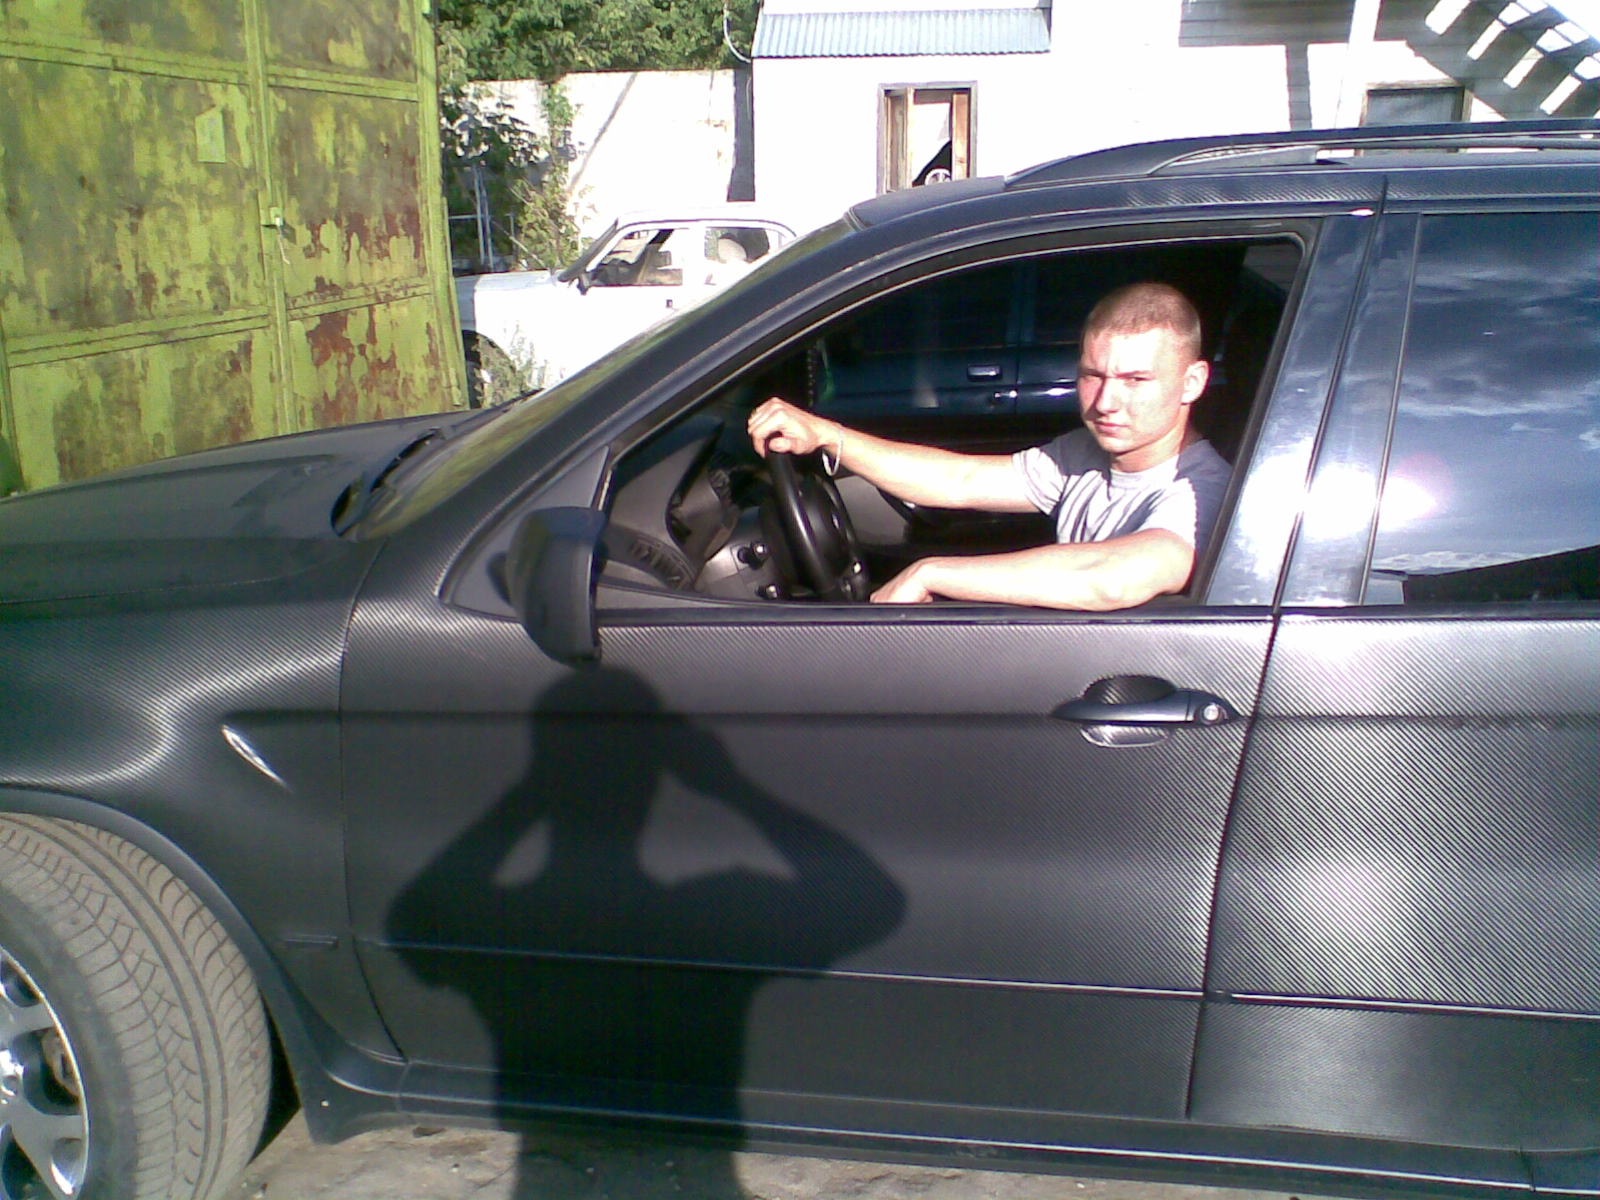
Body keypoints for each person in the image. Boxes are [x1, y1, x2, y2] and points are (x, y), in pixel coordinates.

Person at [746, 280, 1232, 611]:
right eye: (1092, 375)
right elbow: (959, 480)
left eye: (1135, 380)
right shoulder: (1087, 455)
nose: (1105, 402)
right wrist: (828, 435)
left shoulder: (1202, 490)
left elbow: (1113, 577)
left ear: (1192, 382)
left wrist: (932, 572)